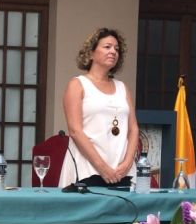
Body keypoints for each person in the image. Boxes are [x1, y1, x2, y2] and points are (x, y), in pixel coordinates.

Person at [58, 28, 139, 188]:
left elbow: (133, 128)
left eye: (116, 49)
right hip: (87, 169)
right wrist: (103, 168)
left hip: (122, 170)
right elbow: (75, 131)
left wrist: (128, 162)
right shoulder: (77, 84)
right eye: (107, 47)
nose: (113, 52)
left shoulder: (123, 87)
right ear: (91, 53)